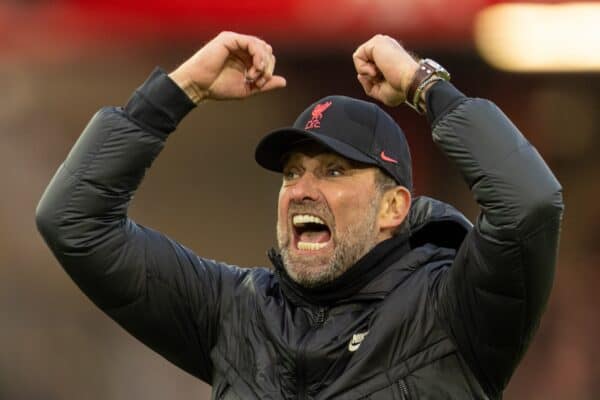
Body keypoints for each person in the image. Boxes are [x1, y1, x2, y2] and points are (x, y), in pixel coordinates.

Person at [36, 32, 563, 399]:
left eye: (333, 172)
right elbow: (75, 220)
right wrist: (180, 91)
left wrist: (426, 86)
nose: (302, 191)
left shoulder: (453, 310)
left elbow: (529, 203)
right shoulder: (233, 313)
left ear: (393, 207)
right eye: (291, 173)